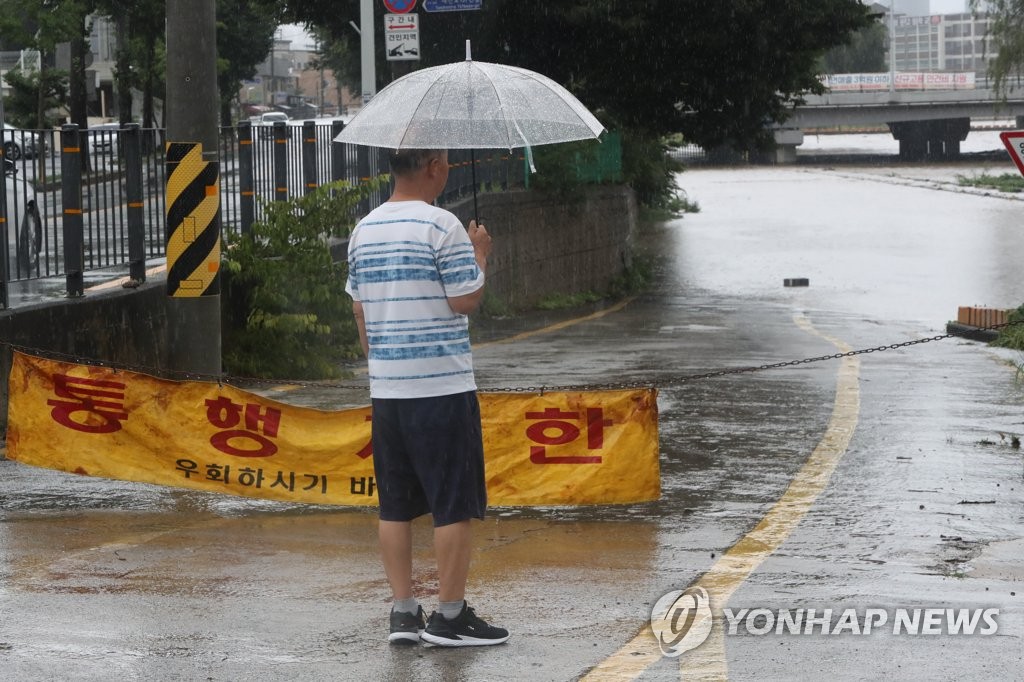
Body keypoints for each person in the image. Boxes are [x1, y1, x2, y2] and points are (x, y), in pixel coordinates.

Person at [345, 148, 509, 648]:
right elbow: (464, 299)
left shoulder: (364, 228)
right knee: (451, 503)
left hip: (388, 389)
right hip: (440, 387)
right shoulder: (443, 226)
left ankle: (403, 613)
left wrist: (382, 364)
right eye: (445, 164)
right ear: (434, 167)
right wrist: (480, 252)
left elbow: (359, 312)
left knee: (394, 505)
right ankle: (451, 616)